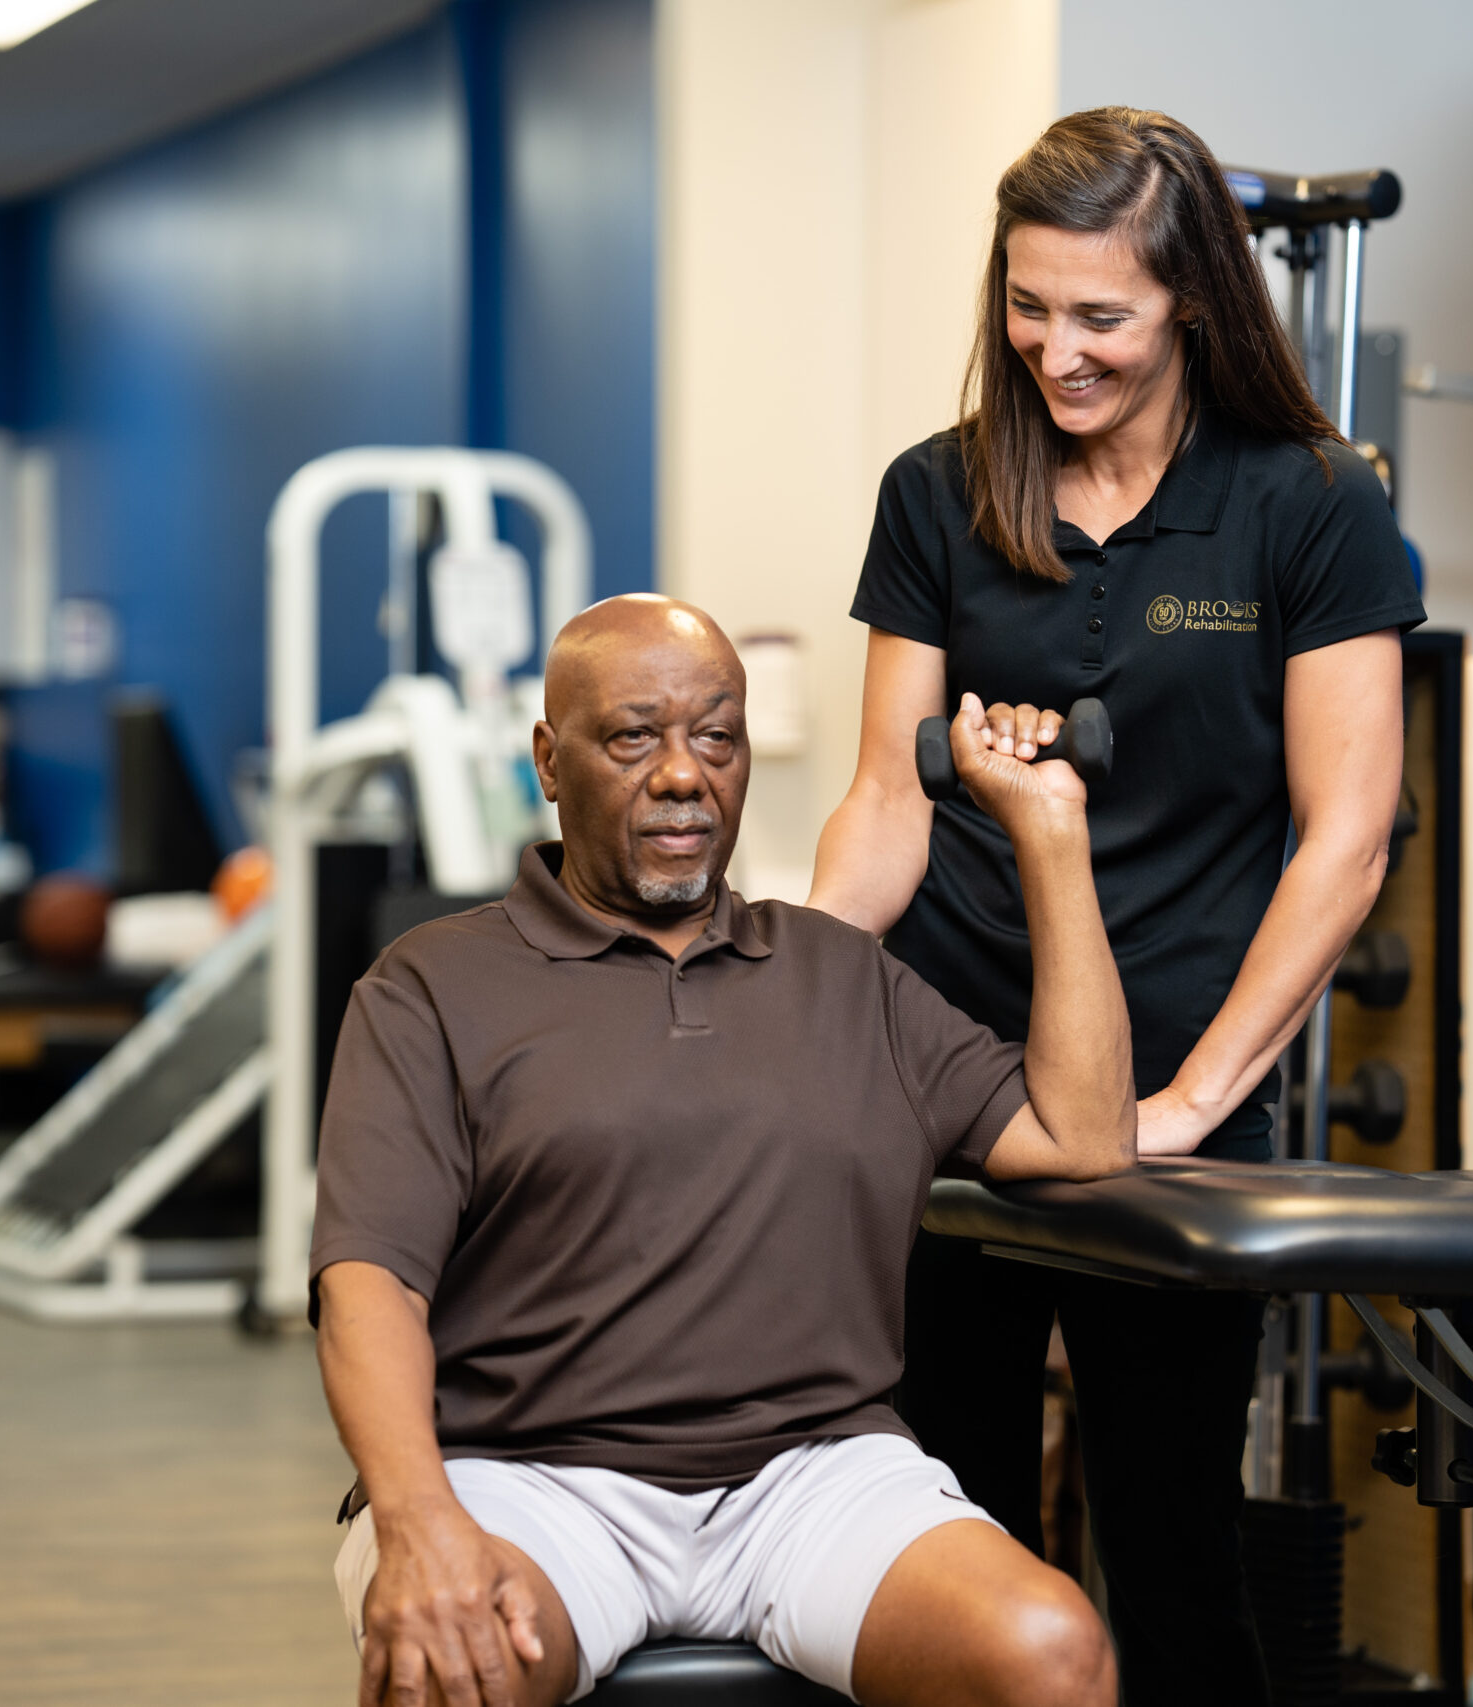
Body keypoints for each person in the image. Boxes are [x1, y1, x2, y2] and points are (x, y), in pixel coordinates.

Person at [807, 108, 1424, 1704]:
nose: (1055, 351)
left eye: (1102, 316)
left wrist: (1198, 1096)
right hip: (944, 1063)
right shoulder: (939, 492)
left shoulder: (1306, 503)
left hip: (1168, 1071)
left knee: (1168, 1529)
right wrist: (795, 1006)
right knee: (945, 1518)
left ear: (1192, 306)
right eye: (1028, 306)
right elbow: (888, 793)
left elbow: (1343, 839)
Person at [313, 593, 1139, 1707]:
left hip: (808, 1477)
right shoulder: (429, 986)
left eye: (715, 736)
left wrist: (1049, 833)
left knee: (1053, 1654)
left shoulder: (843, 976)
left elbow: (1082, 1137)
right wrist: (415, 1521)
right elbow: (368, 1283)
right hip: (527, 1476)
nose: (681, 774)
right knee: (450, 1670)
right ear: (550, 762)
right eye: (633, 737)